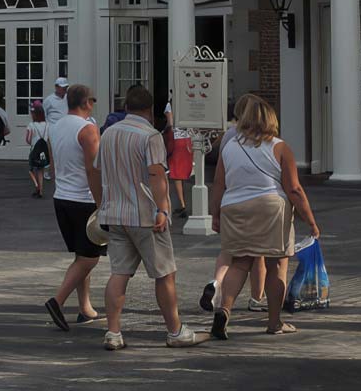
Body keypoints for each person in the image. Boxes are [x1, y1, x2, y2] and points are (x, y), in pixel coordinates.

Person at [94, 85, 202, 350]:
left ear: (126, 107)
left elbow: (97, 169)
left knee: (119, 273)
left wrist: (101, 205)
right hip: (145, 215)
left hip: (115, 213)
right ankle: (175, 331)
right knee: (164, 274)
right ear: (150, 111)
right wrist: (163, 208)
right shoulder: (150, 136)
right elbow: (156, 174)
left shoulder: (108, 134)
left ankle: (113, 332)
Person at [208, 93, 319, 339]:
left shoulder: (230, 147)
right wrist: (310, 220)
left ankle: (224, 310)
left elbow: (218, 183)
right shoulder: (280, 147)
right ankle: (274, 322)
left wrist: (215, 214)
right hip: (270, 208)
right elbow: (294, 189)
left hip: (234, 207)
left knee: (240, 263)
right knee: (276, 265)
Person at [44, 84, 103, 331]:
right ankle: (57, 300)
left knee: (81, 254)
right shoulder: (88, 129)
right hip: (83, 198)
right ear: (86, 102)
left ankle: (85, 307)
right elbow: (94, 170)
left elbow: (53, 161)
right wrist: (103, 203)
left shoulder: (55, 127)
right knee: (89, 258)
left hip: (62, 197)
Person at [164, 95, 194, 218]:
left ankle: (182, 204)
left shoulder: (170, 105)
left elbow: (170, 124)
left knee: (176, 174)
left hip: (176, 139)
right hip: (188, 139)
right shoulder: (188, 104)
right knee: (183, 172)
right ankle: (184, 203)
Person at [26, 102, 50, 198]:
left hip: (34, 150)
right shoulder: (47, 125)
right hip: (43, 151)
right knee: (41, 170)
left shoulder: (31, 125)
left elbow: (28, 139)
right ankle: (41, 189)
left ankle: (37, 186)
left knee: (31, 169)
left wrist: (32, 143)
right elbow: (48, 138)